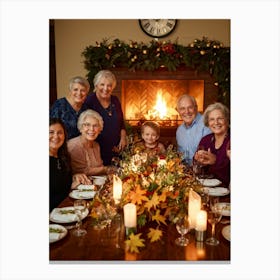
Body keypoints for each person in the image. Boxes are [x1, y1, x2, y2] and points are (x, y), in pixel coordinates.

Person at [84, 70, 127, 165]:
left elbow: (121, 123)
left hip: (117, 149)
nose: (106, 88)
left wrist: (123, 138)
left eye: (109, 85)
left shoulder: (115, 100)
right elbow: (86, 130)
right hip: (98, 150)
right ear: (96, 85)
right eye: (102, 84)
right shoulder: (89, 101)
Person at [49, 118, 91, 212]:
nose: (56, 136)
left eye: (60, 132)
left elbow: (62, 186)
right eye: (51, 132)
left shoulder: (63, 157)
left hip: (66, 209)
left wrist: (74, 177)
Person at [193, 102, 230, 187]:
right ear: (208, 122)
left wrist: (215, 161)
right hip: (207, 189)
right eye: (212, 119)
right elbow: (196, 164)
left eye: (220, 118)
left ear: (227, 120)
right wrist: (199, 162)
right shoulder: (205, 140)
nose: (216, 122)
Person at [67, 109, 108, 176]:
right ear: (81, 128)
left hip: (94, 184)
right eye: (87, 125)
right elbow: (81, 171)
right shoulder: (74, 145)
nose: (91, 129)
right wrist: (107, 169)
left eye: (95, 125)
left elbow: (100, 168)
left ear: (99, 129)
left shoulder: (96, 145)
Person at [176, 94, 211, 165]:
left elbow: (210, 156)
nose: (187, 112)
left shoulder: (206, 124)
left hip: (203, 171)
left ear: (196, 108)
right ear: (178, 111)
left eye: (190, 107)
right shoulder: (179, 131)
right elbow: (180, 156)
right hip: (186, 171)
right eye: (182, 108)